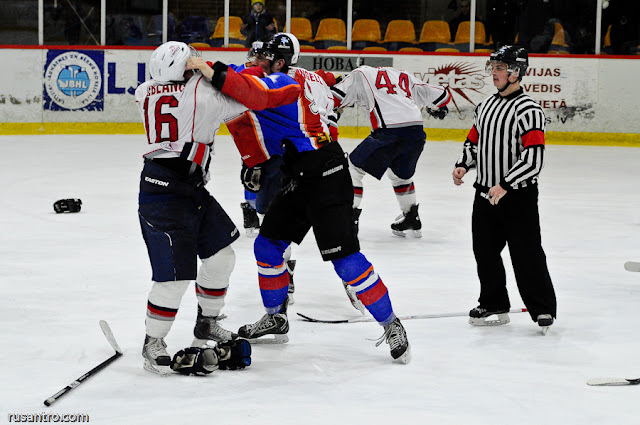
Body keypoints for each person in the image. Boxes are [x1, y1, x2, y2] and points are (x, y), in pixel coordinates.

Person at [208, 33, 411, 363]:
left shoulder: (283, 83)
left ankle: (391, 324)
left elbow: (246, 91)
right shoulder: (310, 77)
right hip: (299, 174)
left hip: (328, 175)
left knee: (344, 259)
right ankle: (276, 317)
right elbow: (328, 85)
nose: (257, 63)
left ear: (281, 62)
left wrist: (201, 65)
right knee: (268, 245)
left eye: (265, 58)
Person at [135, 41, 300, 375]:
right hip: (166, 196)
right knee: (175, 278)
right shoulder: (205, 97)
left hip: (185, 188)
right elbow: (256, 98)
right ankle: (153, 341)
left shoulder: (144, 91)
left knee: (222, 255)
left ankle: (206, 323)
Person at [451, 45, 557, 334]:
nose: (494, 73)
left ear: (517, 71)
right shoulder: (485, 106)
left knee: (526, 252)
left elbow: (533, 158)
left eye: (500, 68)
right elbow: (473, 142)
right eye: (493, 67)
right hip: (484, 193)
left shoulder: (529, 110)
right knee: (484, 251)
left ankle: (543, 307)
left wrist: (506, 184)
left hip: (517, 195)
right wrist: (464, 164)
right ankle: (494, 302)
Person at [331, 65, 450, 238]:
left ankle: (348, 222)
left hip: (389, 132)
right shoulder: (402, 74)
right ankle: (411, 218)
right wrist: (437, 107)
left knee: (353, 169)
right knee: (400, 175)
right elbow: (441, 94)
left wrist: (331, 111)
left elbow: (334, 97)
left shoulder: (360, 73)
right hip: (416, 132)